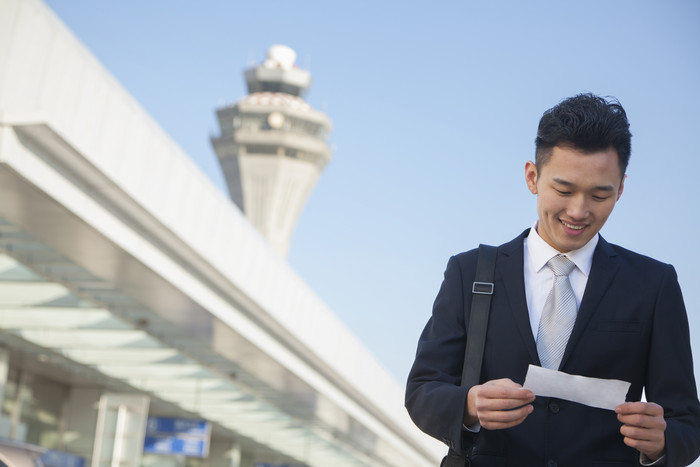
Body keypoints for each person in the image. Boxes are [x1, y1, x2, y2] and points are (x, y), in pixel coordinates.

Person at [405, 93, 700, 467]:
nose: (578, 211)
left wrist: (661, 444)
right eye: (563, 190)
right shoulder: (470, 272)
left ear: (621, 189)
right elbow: (422, 391)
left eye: (599, 195)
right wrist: (468, 405)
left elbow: (686, 422)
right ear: (533, 177)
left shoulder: (654, 284)